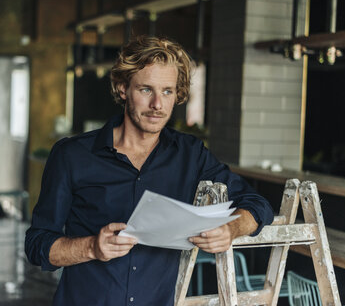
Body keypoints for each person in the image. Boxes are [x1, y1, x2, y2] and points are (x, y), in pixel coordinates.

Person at [25, 35, 274, 306]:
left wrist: (231, 228)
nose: (158, 104)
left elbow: (258, 205)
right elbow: (38, 245)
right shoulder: (71, 155)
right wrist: (92, 247)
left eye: (167, 91)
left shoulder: (190, 154)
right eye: (146, 90)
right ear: (122, 88)